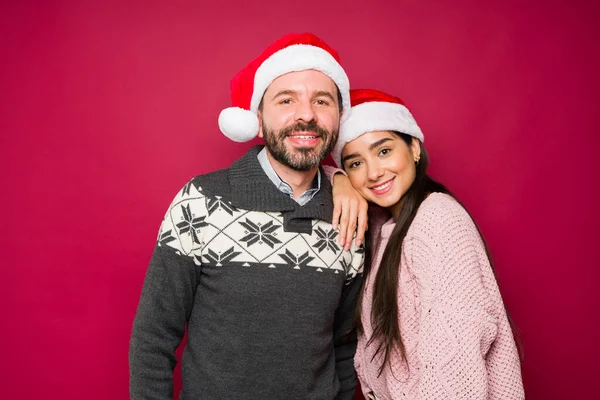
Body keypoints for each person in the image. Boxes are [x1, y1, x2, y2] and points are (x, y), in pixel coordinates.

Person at [129, 33, 367, 400]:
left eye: (321, 101)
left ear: (338, 118)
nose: (306, 114)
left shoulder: (350, 214)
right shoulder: (202, 201)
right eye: (286, 100)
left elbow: (345, 346)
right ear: (258, 118)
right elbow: (153, 336)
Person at [331, 89, 524, 399]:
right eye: (355, 163)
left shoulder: (438, 220)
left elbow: (455, 363)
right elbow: (304, 177)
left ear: (415, 149)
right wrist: (339, 180)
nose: (373, 172)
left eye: (383, 151)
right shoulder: (385, 227)